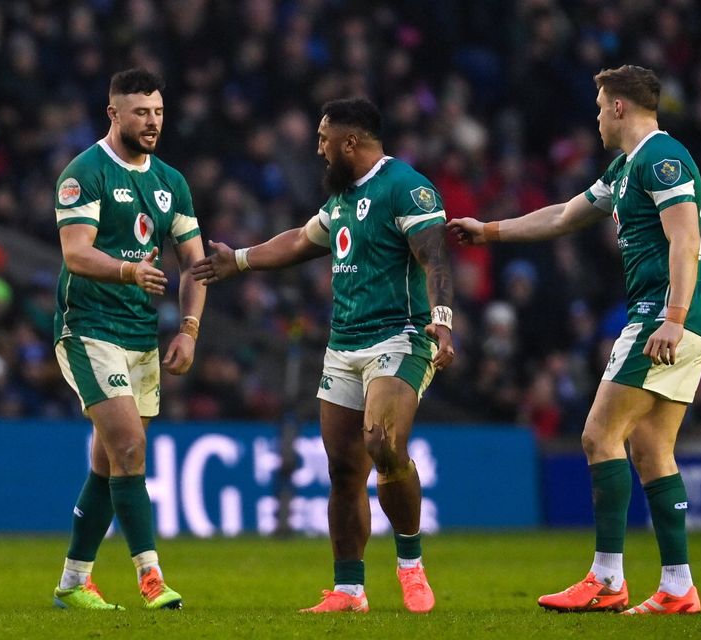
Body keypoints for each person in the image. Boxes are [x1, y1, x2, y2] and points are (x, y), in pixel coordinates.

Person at [449, 65, 701, 616]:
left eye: (599, 106)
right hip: (674, 319)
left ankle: (607, 578)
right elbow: (564, 216)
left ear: (619, 106)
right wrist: (489, 230)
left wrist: (672, 316)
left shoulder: (663, 159)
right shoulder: (624, 169)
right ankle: (677, 587)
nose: (595, 117)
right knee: (650, 449)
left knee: (598, 436)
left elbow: (685, 240)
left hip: (661, 318)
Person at [192, 97, 455, 614]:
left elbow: (434, 255)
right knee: (343, 469)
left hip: (400, 335)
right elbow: (298, 240)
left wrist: (442, 320)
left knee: (382, 443)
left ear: (349, 143)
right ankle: (349, 590)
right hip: (344, 344)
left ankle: (410, 565)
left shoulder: (407, 187)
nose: (317, 148)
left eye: (323, 139)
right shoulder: (339, 201)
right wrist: (240, 260)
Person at [50, 67, 207, 610]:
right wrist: (127, 271)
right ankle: (151, 576)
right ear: (112, 113)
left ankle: (73, 582)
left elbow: (195, 264)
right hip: (89, 328)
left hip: (142, 335)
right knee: (130, 447)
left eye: (159, 112)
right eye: (141, 112)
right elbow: (76, 251)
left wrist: (189, 328)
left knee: (108, 462)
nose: (153, 121)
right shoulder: (84, 172)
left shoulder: (172, 182)